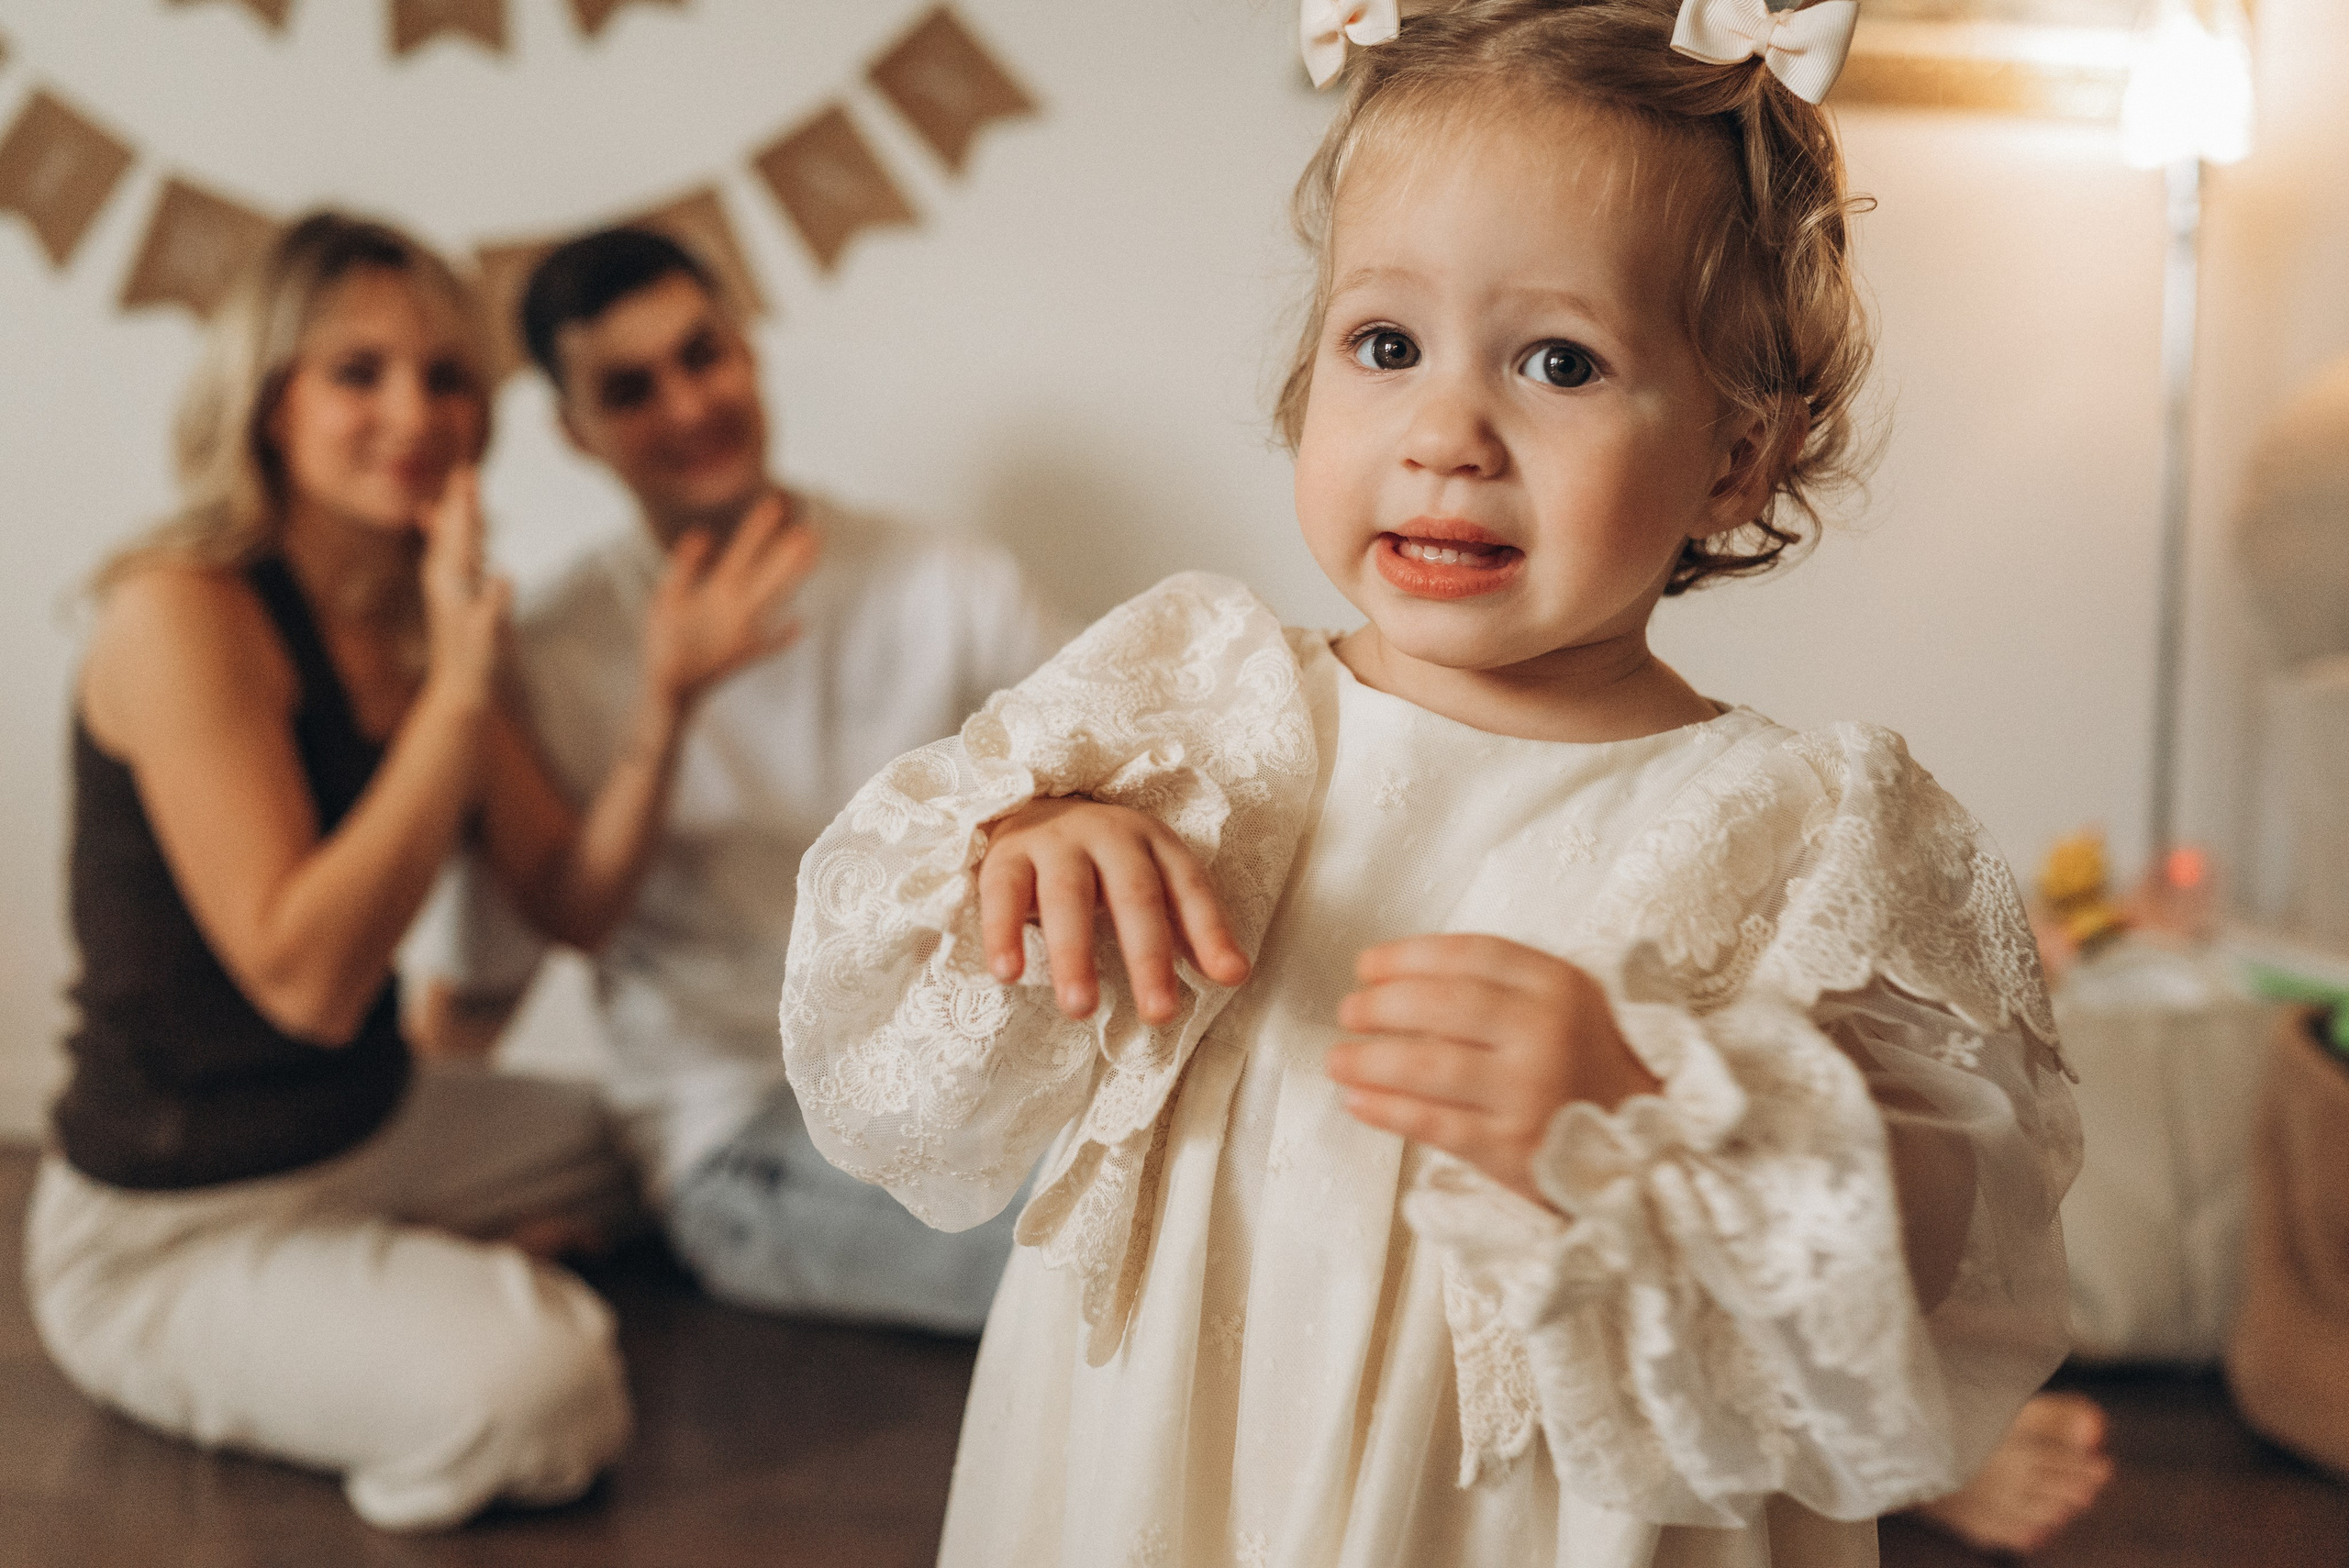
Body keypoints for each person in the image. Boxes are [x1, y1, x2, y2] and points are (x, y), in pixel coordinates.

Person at [778, 2, 2083, 1562]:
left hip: (1519, 1505)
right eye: (1384, 344)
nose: (1446, 433)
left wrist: (1650, 1102)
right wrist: (1035, 850)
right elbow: (898, 1012)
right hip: (1165, 1447)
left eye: (1559, 361)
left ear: (1739, 455)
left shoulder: (1791, 824)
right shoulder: (1191, 715)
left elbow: (1932, 1230)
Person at [26, 212, 810, 1531]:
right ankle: (387, 1318)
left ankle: (389, 1275)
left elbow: (572, 901)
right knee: (553, 1392)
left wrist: (662, 704)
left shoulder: (419, 615)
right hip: (174, 1220)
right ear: (269, 400)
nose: (418, 412)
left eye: (448, 377)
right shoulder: (180, 611)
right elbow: (308, 983)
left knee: (654, 1148)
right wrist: (456, 689)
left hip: (372, 1124)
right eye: (359, 373)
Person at [408, 226, 1069, 1332]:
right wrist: (663, 706)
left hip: (971, 1080)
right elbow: (496, 965)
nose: (685, 405)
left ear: (747, 351)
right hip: (739, 1136)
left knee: (1210, 1187)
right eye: (628, 389)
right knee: (1096, 1260)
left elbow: (1129, 750)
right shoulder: (549, 649)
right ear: (574, 432)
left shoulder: (946, 584)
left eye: (700, 355)